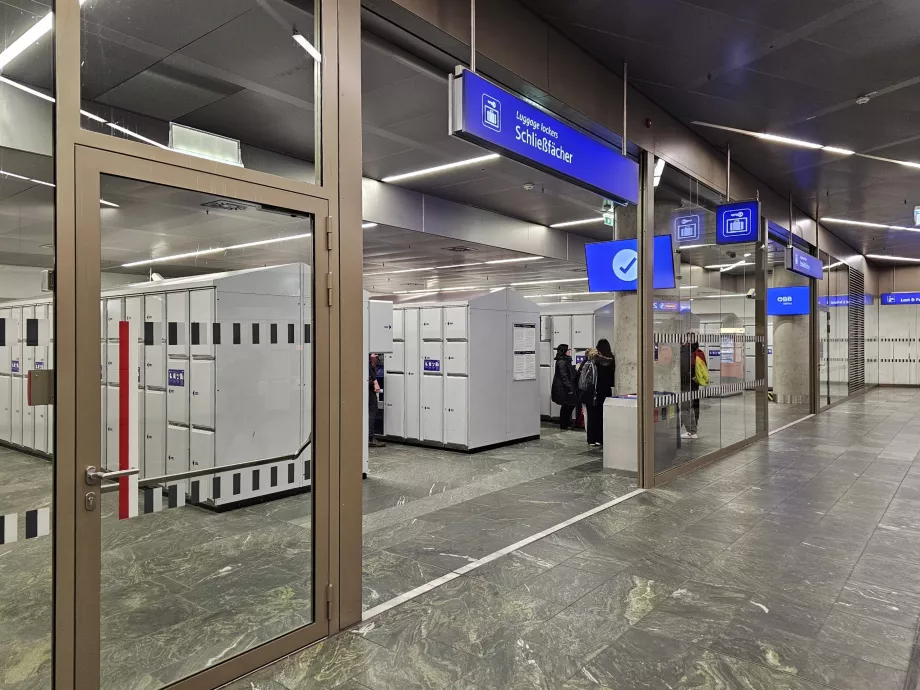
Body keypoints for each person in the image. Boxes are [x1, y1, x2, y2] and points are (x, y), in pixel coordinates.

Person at [585, 338, 615, 447]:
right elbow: (612, 379)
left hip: (592, 391)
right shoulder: (611, 360)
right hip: (604, 391)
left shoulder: (592, 359)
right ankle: (601, 439)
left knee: (592, 416)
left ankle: (591, 439)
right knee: (603, 416)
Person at [680, 337, 707, 439]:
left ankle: (691, 431)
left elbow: (682, 371)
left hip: (685, 384)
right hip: (694, 383)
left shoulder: (684, 353)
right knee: (689, 407)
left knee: (685, 408)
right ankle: (692, 430)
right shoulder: (697, 351)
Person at [551, 344, 578, 430]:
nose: (570, 351)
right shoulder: (562, 362)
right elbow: (564, 376)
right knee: (568, 405)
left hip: (565, 386)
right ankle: (564, 424)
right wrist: (570, 388)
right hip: (563, 388)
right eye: (568, 350)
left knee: (568, 405)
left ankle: (566, 424)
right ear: (564, 351)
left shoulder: (565, 360)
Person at [368, 353, 385, 447]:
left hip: (366, 386)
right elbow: (368, 368)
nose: (377, 357)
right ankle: (370, 438)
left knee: (370, 410)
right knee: (372, 410)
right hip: (369, 387)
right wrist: (375, 382)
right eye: (375, 355)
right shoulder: (367, 360)